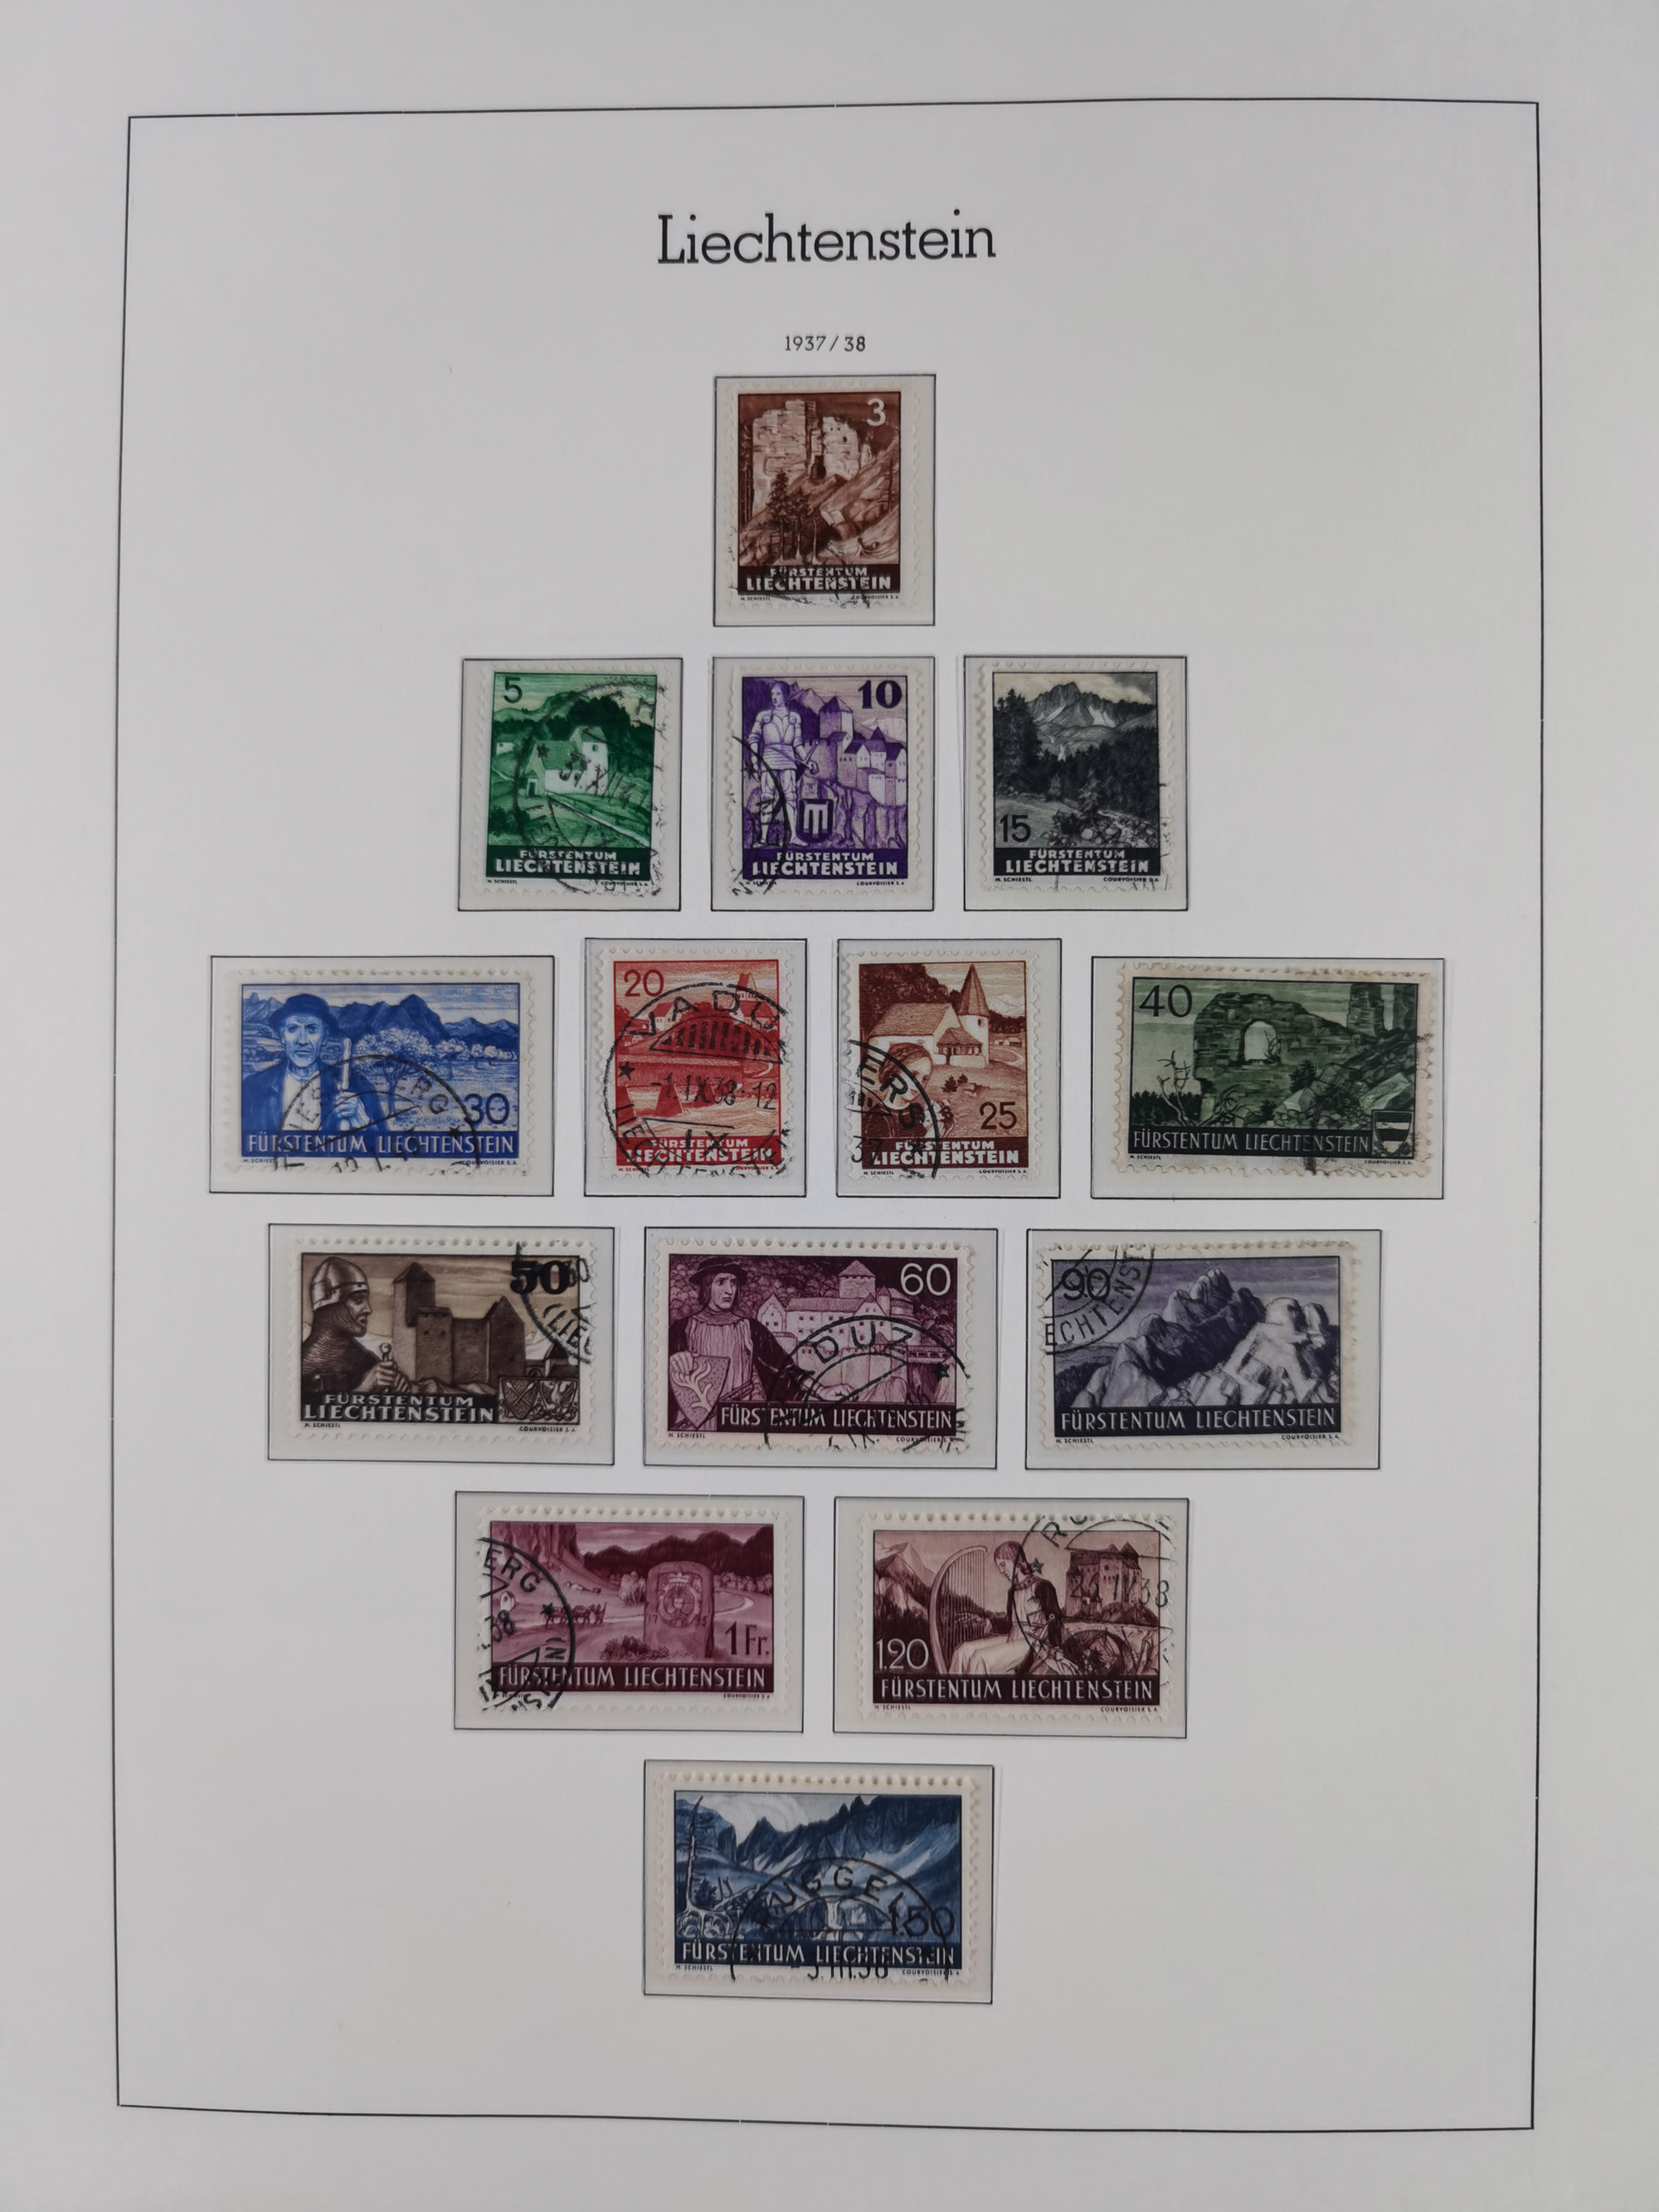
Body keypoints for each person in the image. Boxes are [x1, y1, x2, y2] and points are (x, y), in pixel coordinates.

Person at [665, 1260, 795, 1428]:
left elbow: (785, 1366)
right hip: (694, 1425)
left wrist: (821, 1390)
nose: (730, 1290)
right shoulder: (682, 1328)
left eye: (733, 1283)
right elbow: (654, 1371)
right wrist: (673, 1362)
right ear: (707, 1286)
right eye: (721, 1282)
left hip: (737, 1421)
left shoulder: (751, 1328)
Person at [243, 994, 376, 1139]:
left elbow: (383, 1145)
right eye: (293, 1029)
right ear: (282, 1036)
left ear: (324, 1037)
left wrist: (363, 1124)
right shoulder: (254, 1087)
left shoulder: (358, 1087)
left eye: (312, 1029)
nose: (302, 1040)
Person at [299, 1257, 419, 1396]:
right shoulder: (297, 1365)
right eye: (358, 1300)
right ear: (330, 1306)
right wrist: (364, 1390)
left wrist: (398, 1391)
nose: (368, 1310)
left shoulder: (367, 1363)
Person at [950, 1542, 1071, 1677]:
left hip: (1035, 1643)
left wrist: (1056, 1650)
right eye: (999, 1567)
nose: (1001, 1571)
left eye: (1003, 1565)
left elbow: (1055, 1622)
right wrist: (989, 1622)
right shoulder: (1012, 1592)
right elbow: (1010, 1623)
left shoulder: (1043, 1586)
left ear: (1017, 1560)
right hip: (1015, 1638)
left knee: (979, 1657)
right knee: (963, 1651)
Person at [746, 683, 806, 844]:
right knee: (767, 797)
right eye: (773, 694)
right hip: (769, 759)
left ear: (786, 696)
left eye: (778, 694)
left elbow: (797, 743)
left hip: (788, 760)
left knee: (791, 797)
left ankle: (794, 836)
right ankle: (763, 838)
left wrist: (807, 760)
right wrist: (754, 760)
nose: (774, 697)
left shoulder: (795, 718)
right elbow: (754, 738)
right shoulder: (764, 716)